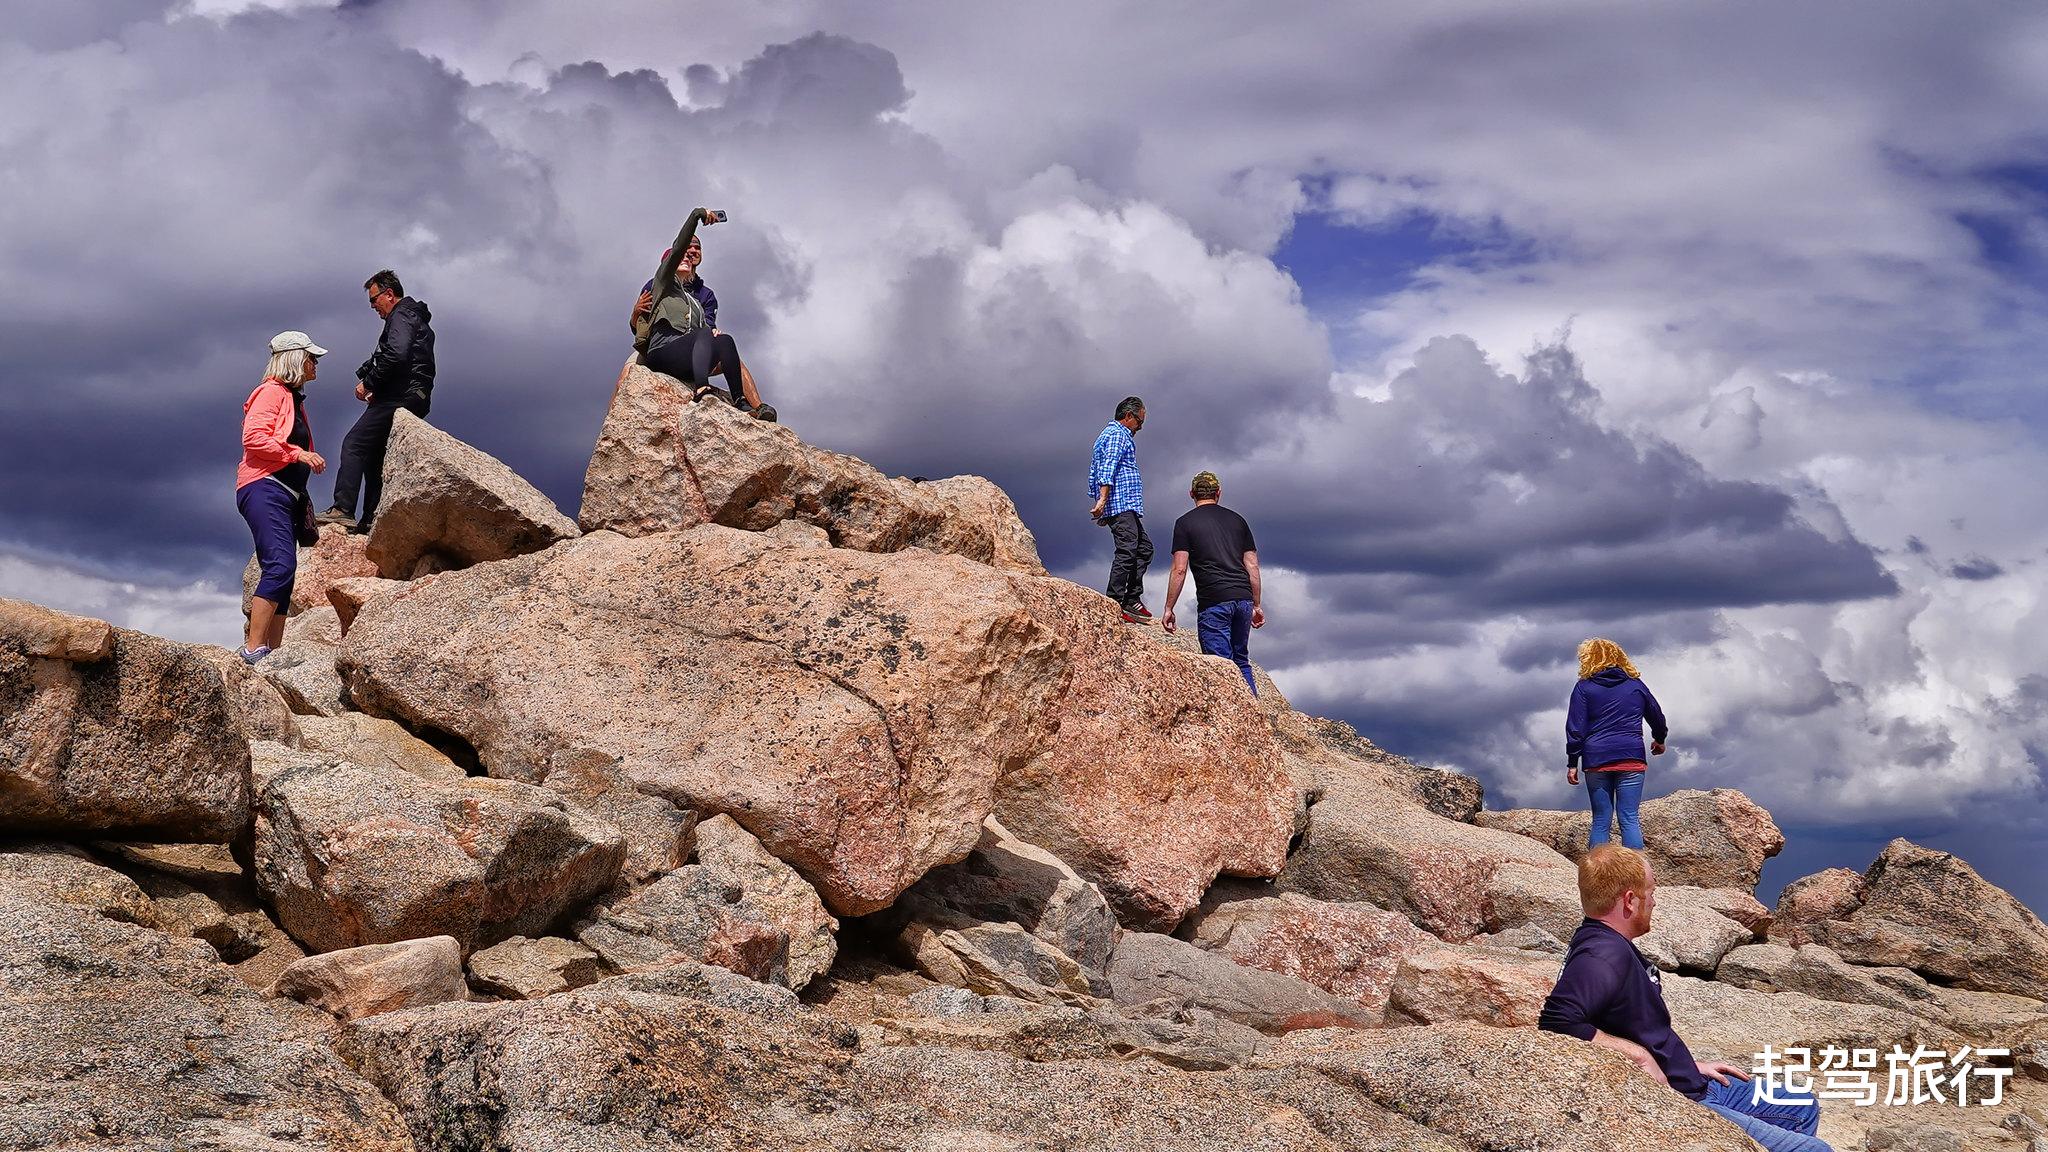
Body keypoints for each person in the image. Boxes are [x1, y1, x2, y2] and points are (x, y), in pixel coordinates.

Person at [1539, 845, 1833, 1150]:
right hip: (1682, 1099)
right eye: (1650, 892)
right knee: (1815, 1150)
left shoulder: (1602, 940)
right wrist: (1639, 1057)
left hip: (1690, 1078)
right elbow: (1557, 1020)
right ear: (1629, 900)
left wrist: (1691, 1064)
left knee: (1800, 1103)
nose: (1653, 901)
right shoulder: (1603, 954)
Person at [237, 331, 329, 664]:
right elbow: (254, 437)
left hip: (284, 492)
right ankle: (252, 651)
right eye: (311, 357)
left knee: (284, 574)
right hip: (264, 487)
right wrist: (297, 454)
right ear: (294, 359)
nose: (316, 364)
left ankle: (271, 655)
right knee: (280, 565)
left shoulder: (292, 398)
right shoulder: (271, 393)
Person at [318, 270, 435, 532]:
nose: (372, 306)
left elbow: (396, 354)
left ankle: (343, 508)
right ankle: (370, 520)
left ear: (389, 294)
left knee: (354, 444)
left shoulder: (402, 315)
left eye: (374, 300)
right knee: (373, 455)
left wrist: (369, 383)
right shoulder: (413, 316)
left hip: (400, 397)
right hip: (415, 395)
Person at [632, 207, 774, 420]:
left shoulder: (700, 299)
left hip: (686, 355)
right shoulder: (661, 283)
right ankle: (702, 389)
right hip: (660, 349)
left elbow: (706, 328)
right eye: (680, 256)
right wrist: (697, 215)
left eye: (691, 256)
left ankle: (741, 401)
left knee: (725, 340)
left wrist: (714, 334)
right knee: (628, 371)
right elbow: (640, 323)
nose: (687, 257)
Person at [1161, 471, 1263, 693]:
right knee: (1241, 661)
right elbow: (1252, 565)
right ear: (1218, 493)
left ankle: (1235, 721)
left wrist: (1169, 607)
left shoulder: (1185, 523)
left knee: (1220, 668)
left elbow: (1179, 569)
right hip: (1243, 599)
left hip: (1214, 601)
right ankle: (1254, 719)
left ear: (1191, 494)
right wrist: (1256, 604)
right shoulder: (1238, 520)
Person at [1566, 638, 1667, 850]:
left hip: (1596, 759)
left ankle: (1598, 879)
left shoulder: (1584, 688)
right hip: (1631, 756)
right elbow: (1656, 715)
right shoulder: (1635, 685)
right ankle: (1636, 878)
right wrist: (1659, 739)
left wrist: (1572, 762)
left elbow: (1576, 728)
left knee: (1601, 820)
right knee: (1629, 818)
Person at [1088, 396, 1152, 624]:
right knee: (1127, 550)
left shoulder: (1119, 434)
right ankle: (1115, 603)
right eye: (1139, 421)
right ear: (1128, 416)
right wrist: (1102, 500)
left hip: (1126, 504)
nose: (1141, 426)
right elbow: (1107, 466)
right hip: (1119, 503)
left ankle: (1131, 598)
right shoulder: (1116, 435)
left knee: (1144, 548)